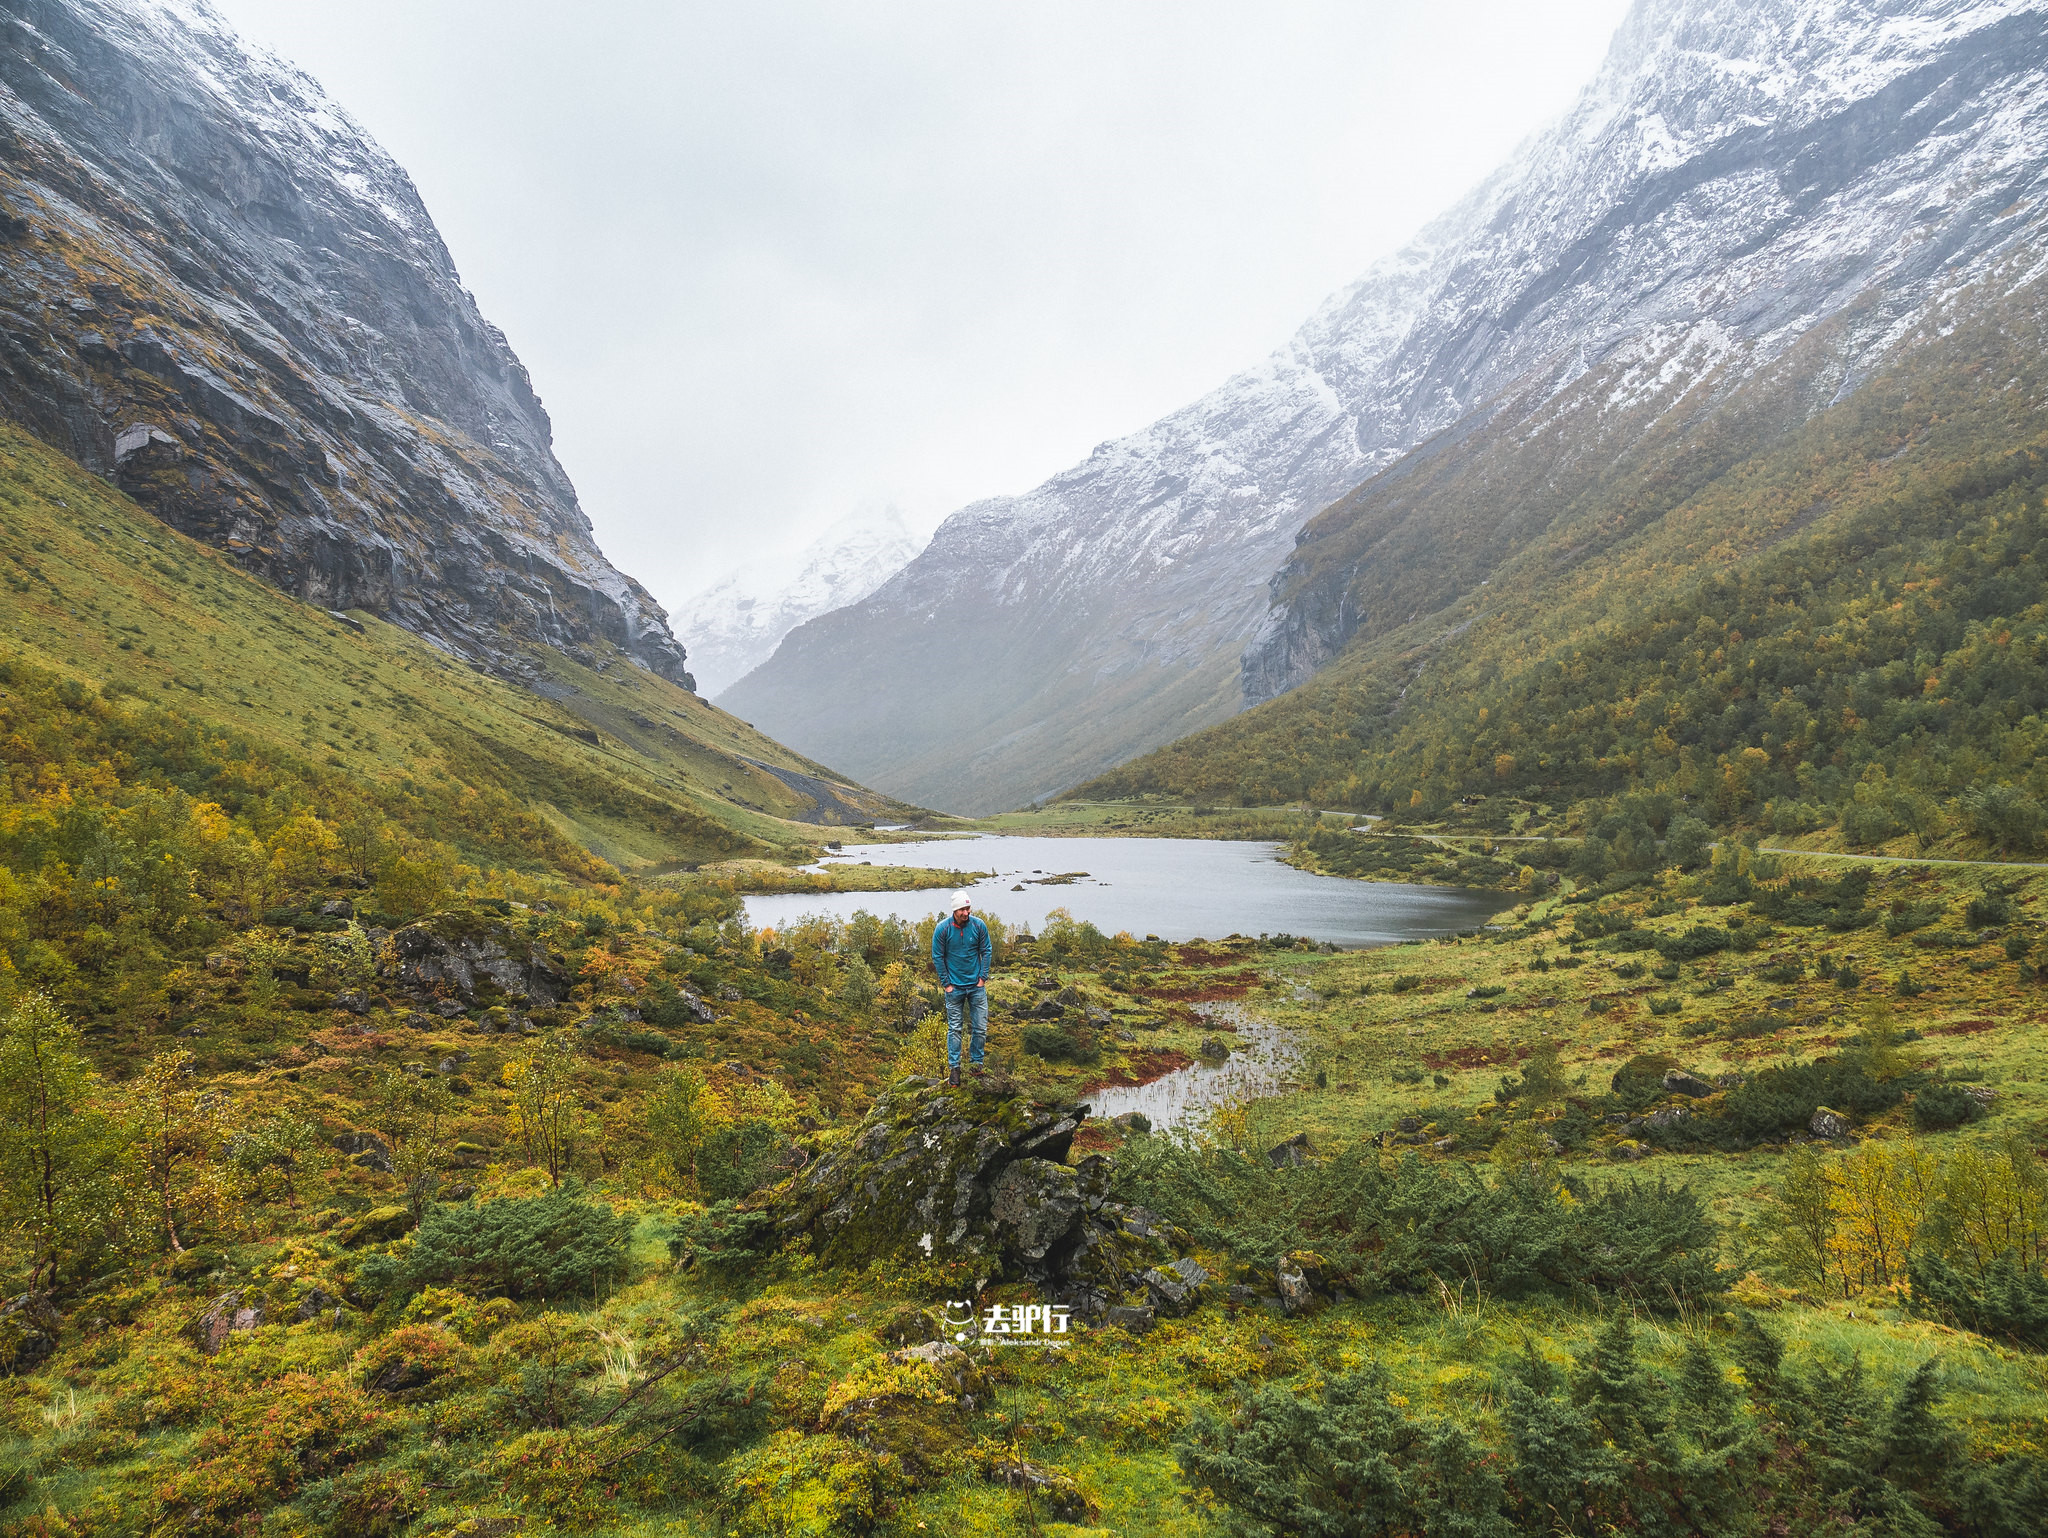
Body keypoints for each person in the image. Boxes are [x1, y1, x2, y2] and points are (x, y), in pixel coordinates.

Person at [931, 890, 991, 1085]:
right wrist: (946, 984)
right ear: (954, 910)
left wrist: (982, 978)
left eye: (968, 908)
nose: (966, 913)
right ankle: (954, 1069)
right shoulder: (943, 929)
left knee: (980, 1028)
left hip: (976, 987)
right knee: (955, 1029)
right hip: (954, 989)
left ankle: (976, 1066)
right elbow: (937, 956)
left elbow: (986, 950)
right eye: (962, 909)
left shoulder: (979, 926)